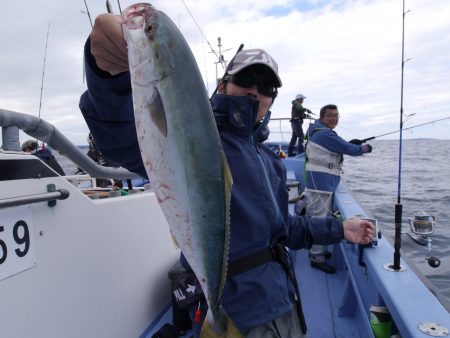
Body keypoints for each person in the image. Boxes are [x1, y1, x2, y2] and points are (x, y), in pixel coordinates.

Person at [79, 13, 375, 338]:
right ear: (223, 85)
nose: (255, 91)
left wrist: (339, 228)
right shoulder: (197, 138)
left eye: (266, 87)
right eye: (246, 80)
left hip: (284, 300)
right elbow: (123, 135)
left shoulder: (270, 161)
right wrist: (108, 76)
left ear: (272, 100)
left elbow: (286, 229)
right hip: (240, 309)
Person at [305, 104, 373, 274]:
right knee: (320, 219)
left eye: (336, 115)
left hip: (318, 182)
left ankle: (316, 250)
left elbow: (337, 146)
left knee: (316, 218)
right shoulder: (325, 133)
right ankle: (316, 258)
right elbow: (350, 150)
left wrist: (347, 144)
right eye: (330, 115)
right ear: (322, 117)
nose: (334, 118)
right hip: (321, 184)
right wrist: (365, 148)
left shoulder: (316, 130)